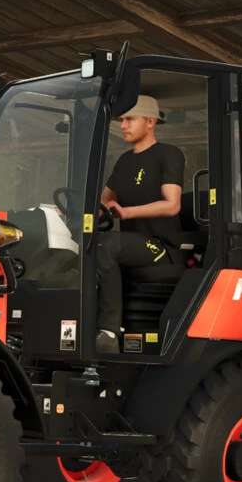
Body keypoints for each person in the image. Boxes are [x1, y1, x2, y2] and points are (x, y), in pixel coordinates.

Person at [96, 95, 184, 352]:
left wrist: (127, 212)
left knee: (106, 244)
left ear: (150, 121)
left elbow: (172, 205)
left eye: (129, 119)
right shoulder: (125, 160)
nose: (123, 125)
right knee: (87, 244)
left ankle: (109, 331)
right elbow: (103, 201)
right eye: (121, 120)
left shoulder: (168, 154)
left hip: (161, 249)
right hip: (132, 246)